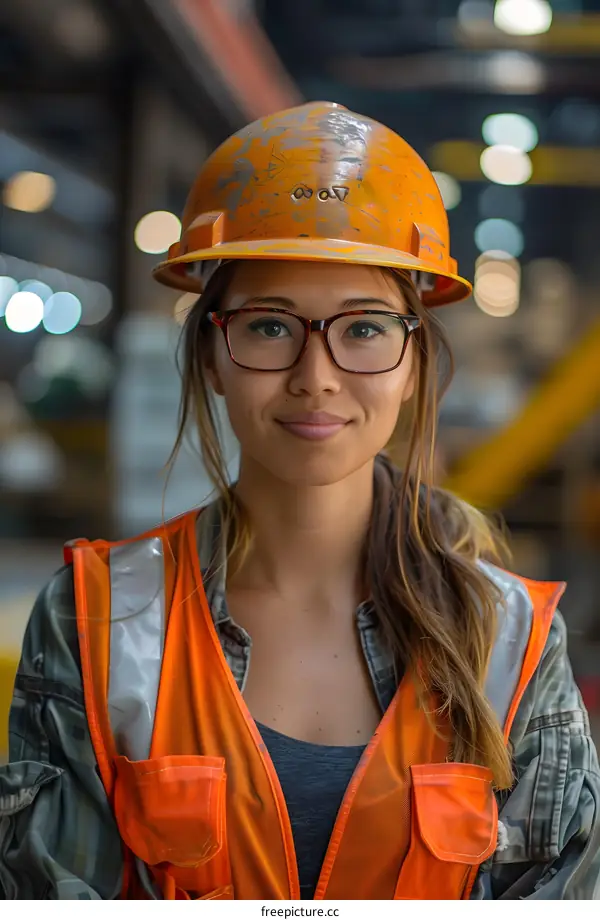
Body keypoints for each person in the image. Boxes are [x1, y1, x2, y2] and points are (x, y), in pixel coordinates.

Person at [1, 102, 599, 901]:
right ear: (211, 352)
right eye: (271, 326)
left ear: (413, 359)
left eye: (362, 329)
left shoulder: (511, 643)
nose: (316, 375)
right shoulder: (97, 619)